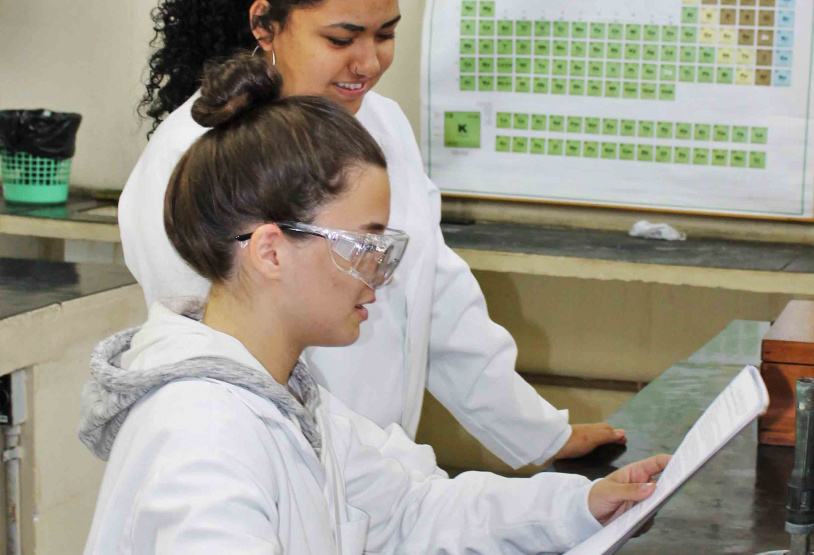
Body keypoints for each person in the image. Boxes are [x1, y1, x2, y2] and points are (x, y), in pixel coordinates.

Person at [81, 55, 669, 554]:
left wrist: (582, 506)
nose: (381, 277)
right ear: (271, 251)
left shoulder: (295, 402)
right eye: (365, 247)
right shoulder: (204, 440)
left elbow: (413, 507)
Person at [119, 0, 625, 470]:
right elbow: (226, 365)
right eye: (341, 39)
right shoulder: (193, 160)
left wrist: (537, 433)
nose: (368, 63)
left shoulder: (380, 124)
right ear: (264, 25)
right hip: (276, 469)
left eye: (385, 35)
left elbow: (437, 296)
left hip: (378, 478)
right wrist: (394, 486)